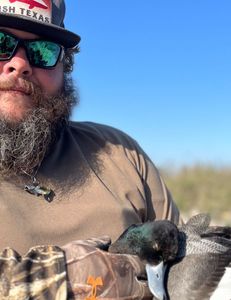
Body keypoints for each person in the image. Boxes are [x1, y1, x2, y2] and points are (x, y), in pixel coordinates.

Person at [0, 0, 181, 299]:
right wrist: (48, 279)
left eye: (43, 51)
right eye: (1, 42)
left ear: (65, 67)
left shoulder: (121, 153)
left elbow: (185, 263)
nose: (20, 63)